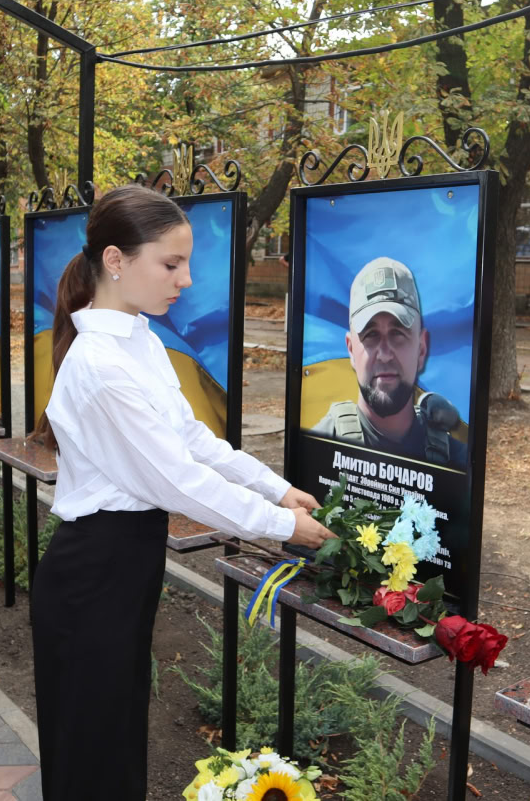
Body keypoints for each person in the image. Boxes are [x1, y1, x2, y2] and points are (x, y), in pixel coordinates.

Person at [29, 184, 336, 800]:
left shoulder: (138, 340)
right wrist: (280, 527)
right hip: (95, 572)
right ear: (116, 261)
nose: (186, 280)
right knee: (94, 754)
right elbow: (175, 479)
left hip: (122, 565)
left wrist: (277, 491)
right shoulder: (100, 365)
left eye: (185, 263)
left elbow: (193, 439)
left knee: (113, 741)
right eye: (171, 264)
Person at [310, 256, 468, 469]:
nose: (384, 354)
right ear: (350, 349)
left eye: (398, 333)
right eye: (371, 334)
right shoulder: (318, 451)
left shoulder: (457, 461)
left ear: (421, 349)